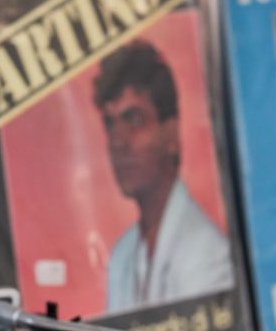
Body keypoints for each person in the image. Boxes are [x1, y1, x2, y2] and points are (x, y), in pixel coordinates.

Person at [95, 41, 234, 314]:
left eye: (134, 119)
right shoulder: (122, 257)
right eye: (111, 124)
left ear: (171, 134)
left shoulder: (207, 254)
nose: (118, 141)